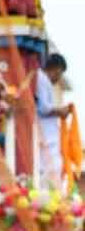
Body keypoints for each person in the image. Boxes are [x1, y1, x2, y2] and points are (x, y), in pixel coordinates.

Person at [35, 52, 71, 188]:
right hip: (45, 133)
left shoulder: (45, 81)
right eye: (59, 73)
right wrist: (60, 111)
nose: (59, 77)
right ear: (54, 68)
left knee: (54, 167)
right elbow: (43, 108)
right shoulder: (41, 79)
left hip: (48, 132)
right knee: (51, 167)